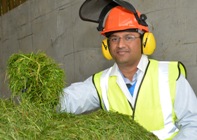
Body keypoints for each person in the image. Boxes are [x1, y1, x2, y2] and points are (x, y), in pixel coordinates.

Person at [59, 0, 197, 139]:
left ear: (145, 41)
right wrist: (40, 98)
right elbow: (69, 100)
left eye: (128, 37)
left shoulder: (169, 74)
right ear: (106, 46)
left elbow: (192, 123)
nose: (120, 45)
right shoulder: (101, 82)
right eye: (114, 39)